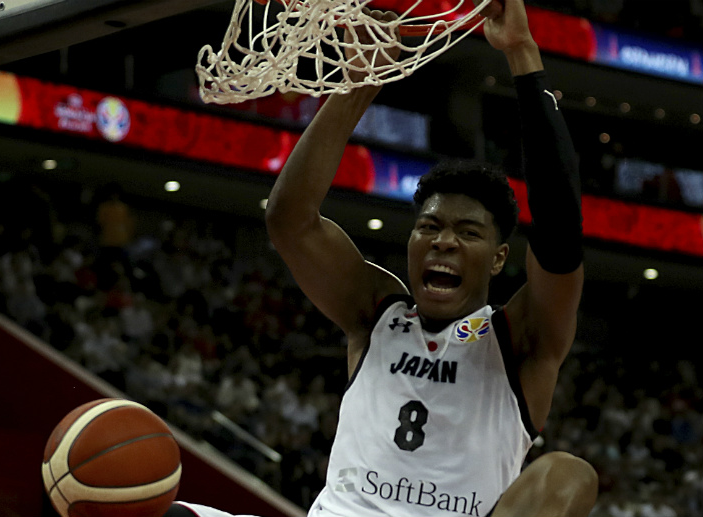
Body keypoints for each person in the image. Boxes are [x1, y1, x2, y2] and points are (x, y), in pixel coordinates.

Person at [167, 0, 598, 516]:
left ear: (500, 257)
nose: (443, 242)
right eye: (429, 227)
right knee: (154, 504)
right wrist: (357, 85)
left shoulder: (521, 338)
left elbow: (559, 235)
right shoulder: (376, 311)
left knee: (569, 474)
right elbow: (290, 221)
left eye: (467, 232)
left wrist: (522, 53)